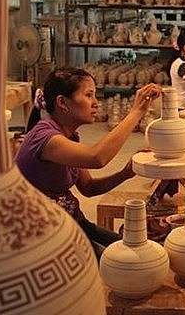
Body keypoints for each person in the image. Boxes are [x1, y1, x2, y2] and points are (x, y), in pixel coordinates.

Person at [15, 67, 162, 261]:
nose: (96, 103)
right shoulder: (46, 138)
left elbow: (88, 187)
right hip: (43, 231)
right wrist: (135, 113)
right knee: (121, 263)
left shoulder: (69, 136)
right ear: (62, 103)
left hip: (71, 221)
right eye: (88, 95)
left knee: (135, 249)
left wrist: (125, 173)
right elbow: (97, 158)